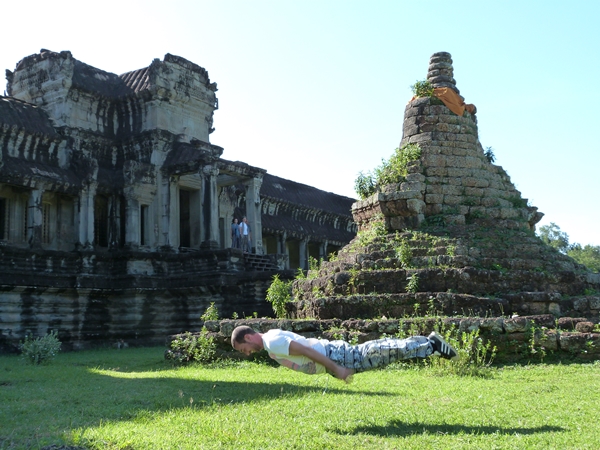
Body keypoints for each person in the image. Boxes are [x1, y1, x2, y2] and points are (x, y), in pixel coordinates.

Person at [231, 326, 457, 382]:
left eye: (244, 349)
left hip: (332, 356)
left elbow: (306, 350)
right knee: (378, 353)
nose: (248, 354)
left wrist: (335, 367)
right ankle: (426, 345)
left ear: (249, 337)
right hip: (332, 356)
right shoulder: (271, 342)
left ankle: (430, 345)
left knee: (376, 352)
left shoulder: (271, 342)